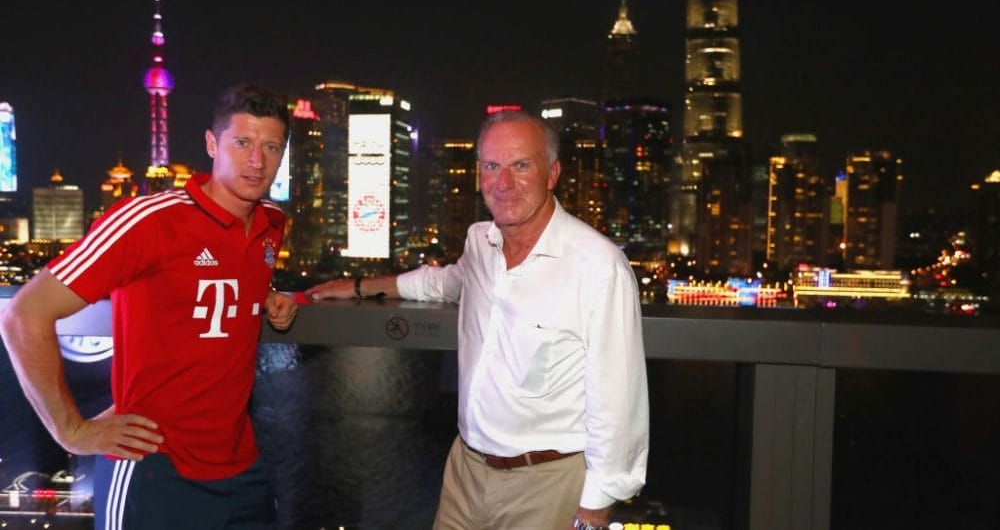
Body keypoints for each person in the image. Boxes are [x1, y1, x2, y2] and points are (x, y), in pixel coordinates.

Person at [306, 109, 649, 530]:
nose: (503, 183)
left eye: (521, 165)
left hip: (546, 484)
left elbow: (620, 400)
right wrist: (358, 286)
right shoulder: (480, 242)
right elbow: (441, 283)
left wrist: (593, 512)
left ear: (553, 173)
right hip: (465, 470)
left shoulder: (597, 266)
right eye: (491, 166)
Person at [0, 83, 298, 529]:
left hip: (242, 468)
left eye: (271, 147)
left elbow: (227, 281)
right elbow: (23, 315)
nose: (257, 161)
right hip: (153, 469)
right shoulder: (149, 221)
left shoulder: (272, 223)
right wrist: (72, 430)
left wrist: (277, 300)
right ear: (212, 144)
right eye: (242, 143)